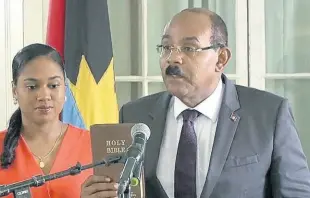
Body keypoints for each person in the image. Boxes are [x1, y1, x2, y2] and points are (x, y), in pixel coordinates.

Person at [81, 8, 310, 198]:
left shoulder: (268, 114)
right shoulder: (135, 115)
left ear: (221, 59)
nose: (173, 58)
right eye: (167, 47)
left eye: (189, 48)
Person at [0, 43, 94, 198]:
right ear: (14, 91)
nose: (44, 95)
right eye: (32, 86)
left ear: (65, 88)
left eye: (53, 85)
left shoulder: (93, 145)